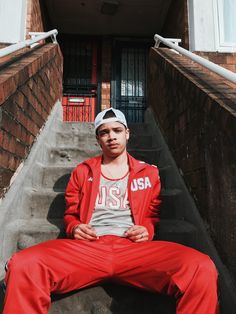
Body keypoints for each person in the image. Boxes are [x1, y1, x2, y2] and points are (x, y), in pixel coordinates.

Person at [3, 108, 219, 314]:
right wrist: (75, 227)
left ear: (127, 133)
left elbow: (152, 215)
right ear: (98, 139)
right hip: (88, 247)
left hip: (133, 249)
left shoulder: (149, 173)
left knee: (200, 267)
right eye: (104, 132)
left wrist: (147, 230)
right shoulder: (82, 171)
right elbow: (70, 213)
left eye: (117, 130)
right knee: (24, 264)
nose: (111, 137)